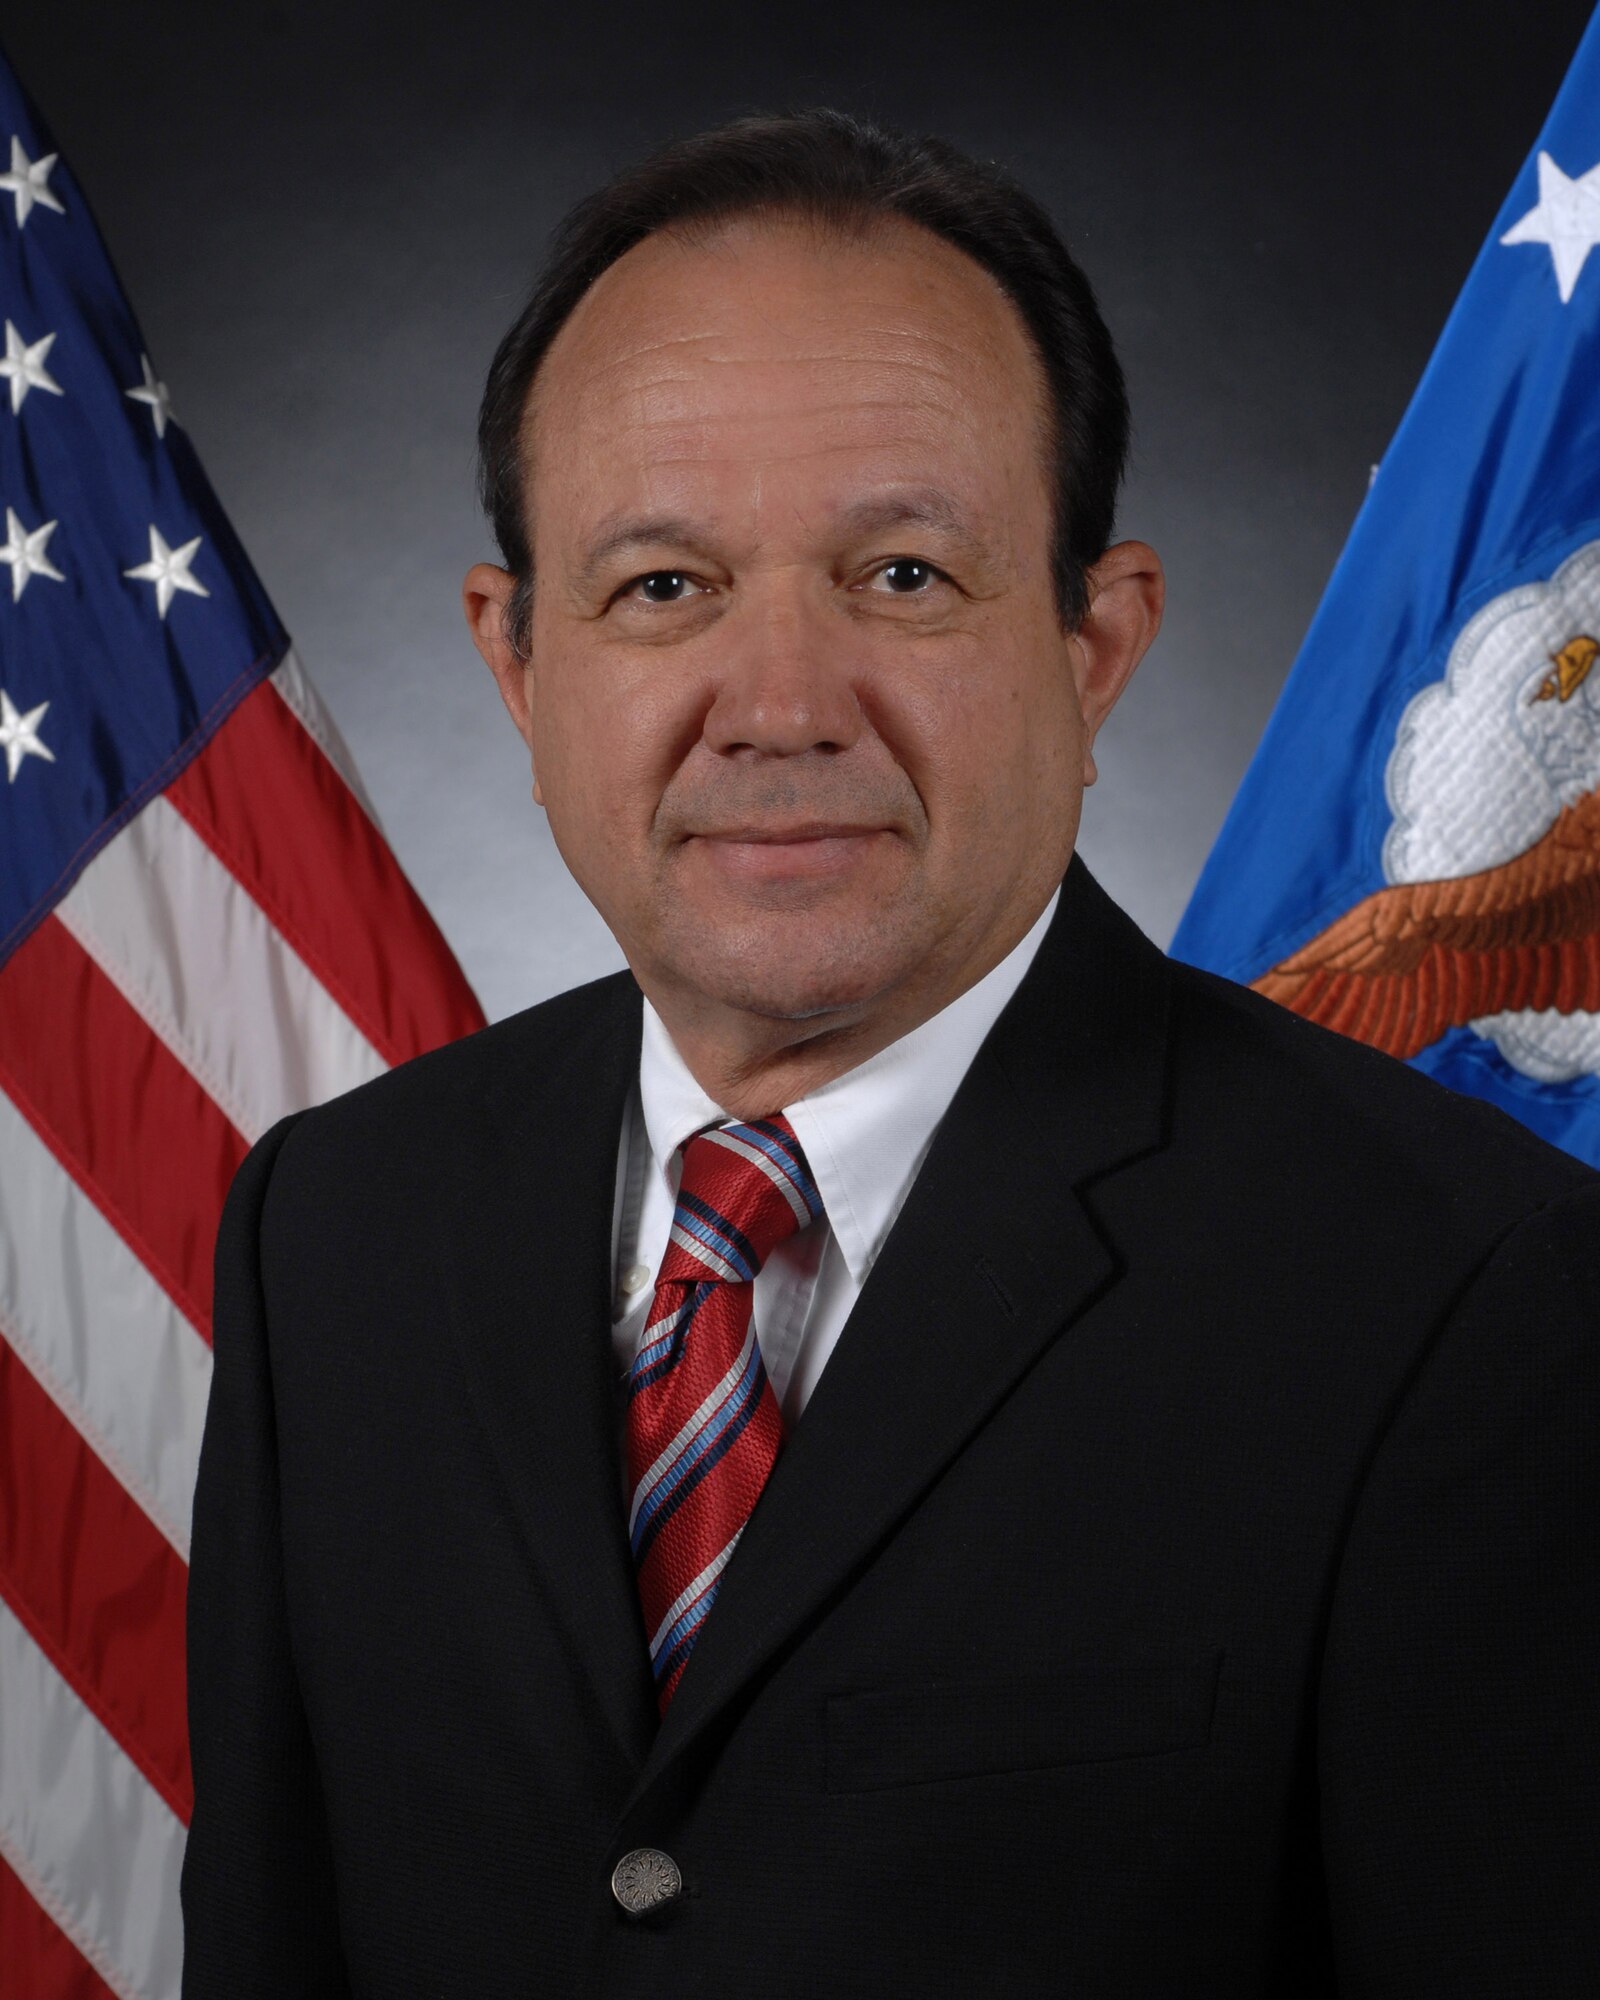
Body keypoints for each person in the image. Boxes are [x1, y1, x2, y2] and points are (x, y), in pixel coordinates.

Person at [181, 110, 1599, 1996]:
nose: (778, 706)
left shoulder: (1465, 1293)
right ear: (518, 660)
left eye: (906, 577)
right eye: (663, 586)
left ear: (1097, 644)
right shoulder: (330, 1225)